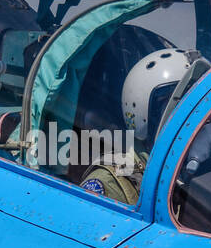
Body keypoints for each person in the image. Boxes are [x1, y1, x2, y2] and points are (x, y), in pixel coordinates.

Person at [80, 48, 195, 204]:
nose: (191, 117)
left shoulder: (187, 173)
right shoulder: (113, 184)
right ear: (145, 115)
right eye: (180, 106)